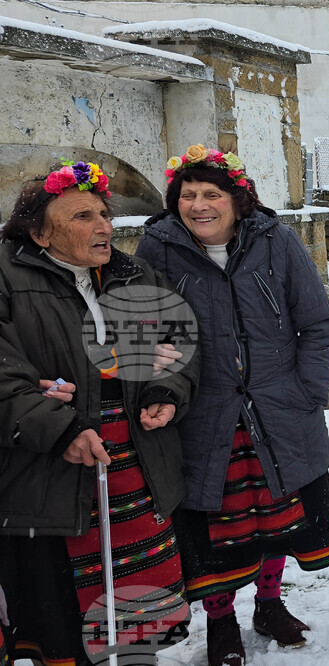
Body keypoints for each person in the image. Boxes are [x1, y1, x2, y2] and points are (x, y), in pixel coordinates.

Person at [134, 145, 329, 665]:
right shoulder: (156, 250)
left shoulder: (276, 240)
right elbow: (144, 333)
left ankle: (269, 604)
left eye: (212, 194)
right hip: (204, 415)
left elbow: (314, 322)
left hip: (279, 409)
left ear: (237, 199)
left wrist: (308, 392)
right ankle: (222, 622)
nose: (199, 205)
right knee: (217, 532)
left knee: (278, 520)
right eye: (188, 196)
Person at [0, 162, 196, 664]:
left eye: (104, 214)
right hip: (55, 468)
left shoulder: (133, 275)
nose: (105, 226)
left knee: (138, 608)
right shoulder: (6, 276)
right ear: (40, 232)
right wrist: (56, 426)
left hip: (137, 462)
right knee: (68, 615)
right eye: (83, 216)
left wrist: (164, 391)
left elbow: (178, 344)